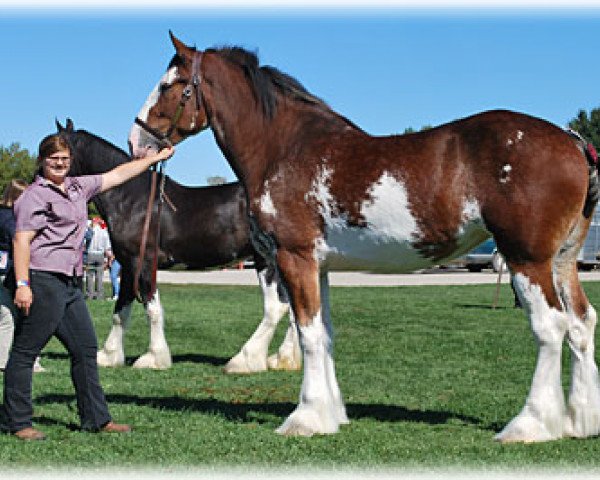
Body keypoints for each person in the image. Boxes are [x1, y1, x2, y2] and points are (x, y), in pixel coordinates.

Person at [2, 133, 174, 440]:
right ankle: (17, 422)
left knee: (84, 349)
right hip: (43, 279)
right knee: (26, 351)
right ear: (42, 160)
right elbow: (21, 241)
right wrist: (23, 284)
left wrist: (154, 159)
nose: (60, 164)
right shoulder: (33, 196)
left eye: (65, 159)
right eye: (54, 159)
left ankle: (96, 418)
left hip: (70, 282)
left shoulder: (78, 187)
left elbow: (118, 174)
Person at [85, 216, 111, 300]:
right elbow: (107, 247)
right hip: (100, 254)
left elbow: (85, 243)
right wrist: (109, 259)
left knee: (89, 275)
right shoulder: (104, 232)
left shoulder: (90, 231)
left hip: (90, 254)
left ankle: (90, 294)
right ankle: (99, 294)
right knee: (99, 276)